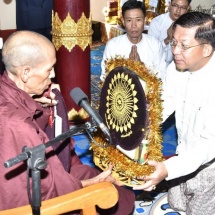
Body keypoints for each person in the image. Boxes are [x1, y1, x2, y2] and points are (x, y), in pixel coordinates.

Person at [0, 30, 135, 214]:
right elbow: (42, 194)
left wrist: (34, 102)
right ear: (25, 72)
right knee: (107, 193)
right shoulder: (16, 124)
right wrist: (91, 185)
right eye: (48, 69)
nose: (53, 75)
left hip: (45, 179)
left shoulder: (8, 89)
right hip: (30, 203)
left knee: (89, 172)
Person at [133, 12, 215, 215]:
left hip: (210, 164)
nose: (175, 51)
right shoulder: (175, 68)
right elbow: (166, 101)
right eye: (173, 42)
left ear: (206, 49)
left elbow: (209, 144)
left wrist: (169, 169)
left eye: (184, 46)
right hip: (183, 150)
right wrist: (141, 124)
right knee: (177, 203)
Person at [100, 0, 167, 81]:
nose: (134, 25)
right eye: (129, 20)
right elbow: (105, 77)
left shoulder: (155, 44)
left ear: (145, 20)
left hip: (149, 92)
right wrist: (127, 69)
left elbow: (162, 76)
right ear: (123, 21)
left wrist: (141, 68)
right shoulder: (112, 46)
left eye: (138, 20)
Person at [148, 0, 191, 65]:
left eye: (183, 7)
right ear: (169, 5)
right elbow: (151, 51)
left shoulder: (190, 26)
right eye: (175, 6)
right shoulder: (157, 22)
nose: (178, 11)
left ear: (187, 8)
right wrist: (167, 39)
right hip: (157, 65)